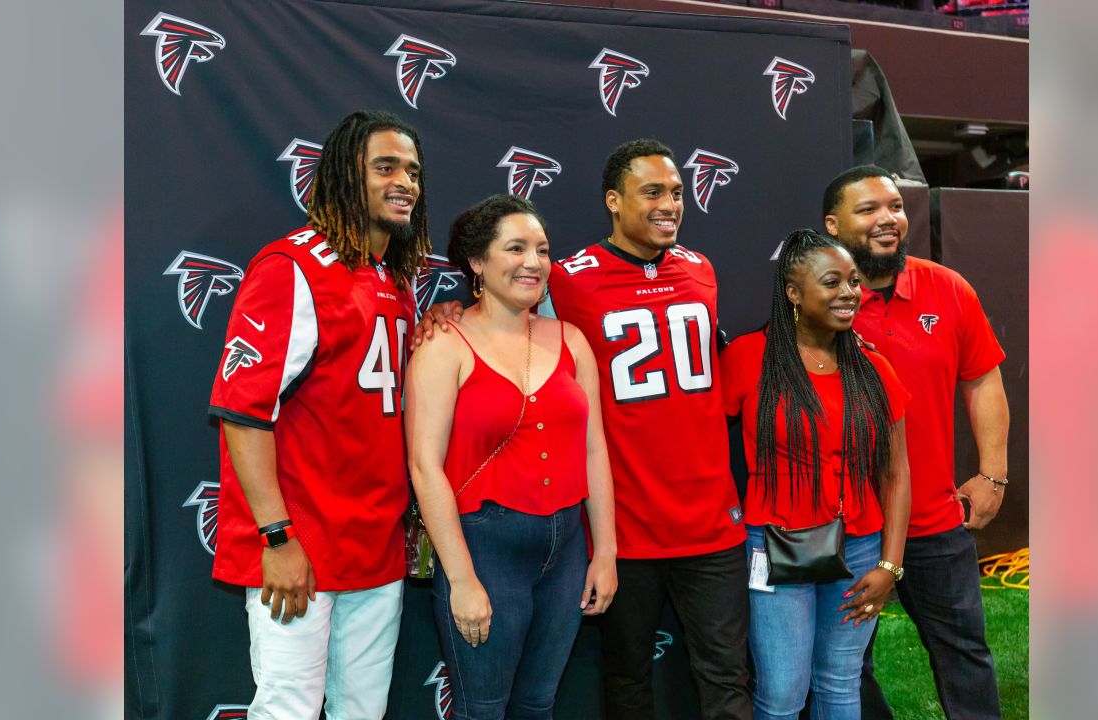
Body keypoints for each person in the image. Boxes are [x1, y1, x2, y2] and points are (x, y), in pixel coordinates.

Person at [416, 139, 752, 719]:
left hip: (656, 523)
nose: (670, 203)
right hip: (544, 530)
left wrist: (601, 550)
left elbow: (592, 437)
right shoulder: (563, 285)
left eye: (676, 191)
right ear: (614, 201)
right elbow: (428, 460)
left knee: (717, 675)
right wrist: (442, 307)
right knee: (535, 694)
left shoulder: (693, 272)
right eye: (653, 192)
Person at [206, 110, 430, 720]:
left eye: (412, 170)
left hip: (376, 542)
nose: (405, 181)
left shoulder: (397, 278)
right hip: (300, 539)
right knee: (288, 708)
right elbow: (242, 412)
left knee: (362, 709)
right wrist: (276, 536)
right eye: (385, 166)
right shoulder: (292, 267)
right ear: (341, 175)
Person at [406, 194, 618, 720]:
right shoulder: (443, 345)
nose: (533, 262)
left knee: (537, 704)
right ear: (477, 262)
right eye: (516, 248)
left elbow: (594, 449)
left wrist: (605, 552)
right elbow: (423, 467)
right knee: (483, 710)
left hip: (566, 549)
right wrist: (461, 578)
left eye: (543, 250)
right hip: (483, 547)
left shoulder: (571, 340)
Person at [821, 165, 1010, 720]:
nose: (888, 219)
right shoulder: (811, 301)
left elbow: (982, 378)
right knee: (844, 669)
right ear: (833, 225)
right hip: (845, 527)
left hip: (934, 518)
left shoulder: (947, 288)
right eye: (869, 210)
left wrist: (993, 472)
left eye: (895, 207)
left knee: (963, 656)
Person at [720, 229, 911, 720]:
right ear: (793, 292)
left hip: (861, 546)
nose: (849, 293)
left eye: (852, 281)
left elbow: (895, 475)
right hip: (776, 544)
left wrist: (890, 566)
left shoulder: (874, 369)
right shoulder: (747, 358)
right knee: (782, 693)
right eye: (832, 282)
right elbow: (703, 446)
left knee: (841, 682)